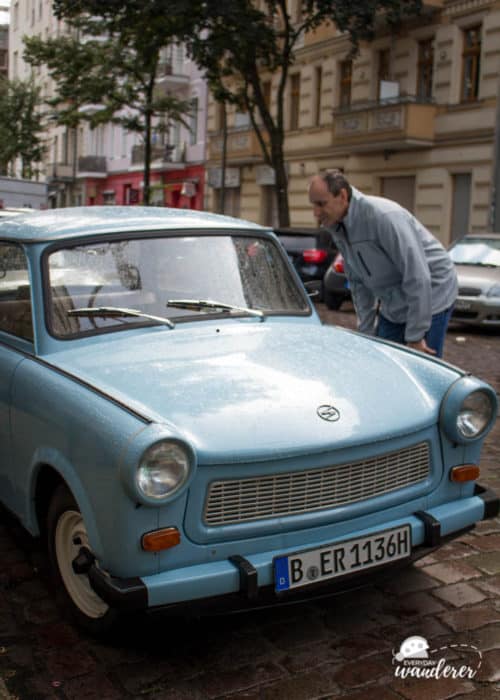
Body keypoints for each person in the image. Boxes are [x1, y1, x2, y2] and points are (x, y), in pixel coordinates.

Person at [308, 170, 458, 357]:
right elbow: (358, 282)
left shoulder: (383, 216)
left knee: (421, 368)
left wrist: (416, 336)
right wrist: (366, 333)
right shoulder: (337, 226)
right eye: (313, 205)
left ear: (343, 196)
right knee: (382, 359)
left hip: (432, 292)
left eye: (321, 204)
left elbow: (417, 274)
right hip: (394, 301)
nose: (316, 213)